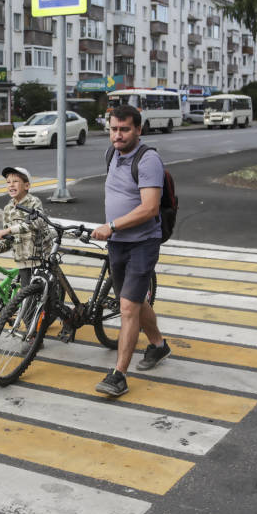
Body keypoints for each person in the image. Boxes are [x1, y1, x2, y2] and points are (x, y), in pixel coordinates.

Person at [91, 104, 170, 397]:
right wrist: (111, 230)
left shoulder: (148, 160)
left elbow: (150, 208)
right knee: (132, 301)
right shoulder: (111, 154)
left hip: (142, 243)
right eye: (113, 129)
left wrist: (112, 225)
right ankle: (158, 345)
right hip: (118, 243)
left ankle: (119, 376)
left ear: (138, 129)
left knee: (127, 307)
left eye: (124, 129)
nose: (118, 135)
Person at [0, 167, 52, 289]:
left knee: (45, 293)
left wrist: (9, 229)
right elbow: (8, 240)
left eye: (15, 181)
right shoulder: (8, 208)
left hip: (40, 259)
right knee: (26, 296)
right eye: (8, 182)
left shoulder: (33, 202)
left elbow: (36, 223)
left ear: (26, 185)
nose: (11, 185)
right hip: (23, 262)